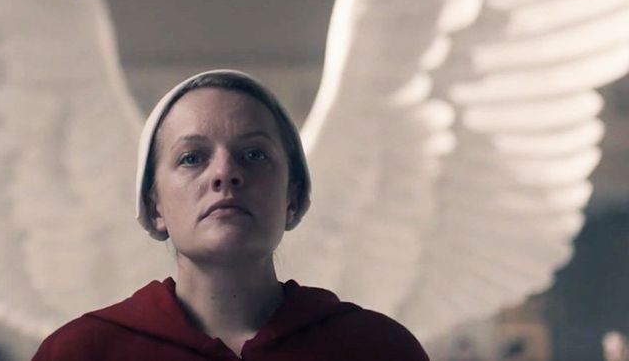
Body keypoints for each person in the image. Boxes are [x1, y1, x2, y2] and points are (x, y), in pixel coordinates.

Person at [32, 70, 429, 360]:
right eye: (192, 158)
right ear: (154, 207)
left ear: (293, 197)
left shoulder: (379, 349)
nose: (225, 173)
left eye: (254, 154)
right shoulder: (81, 352)